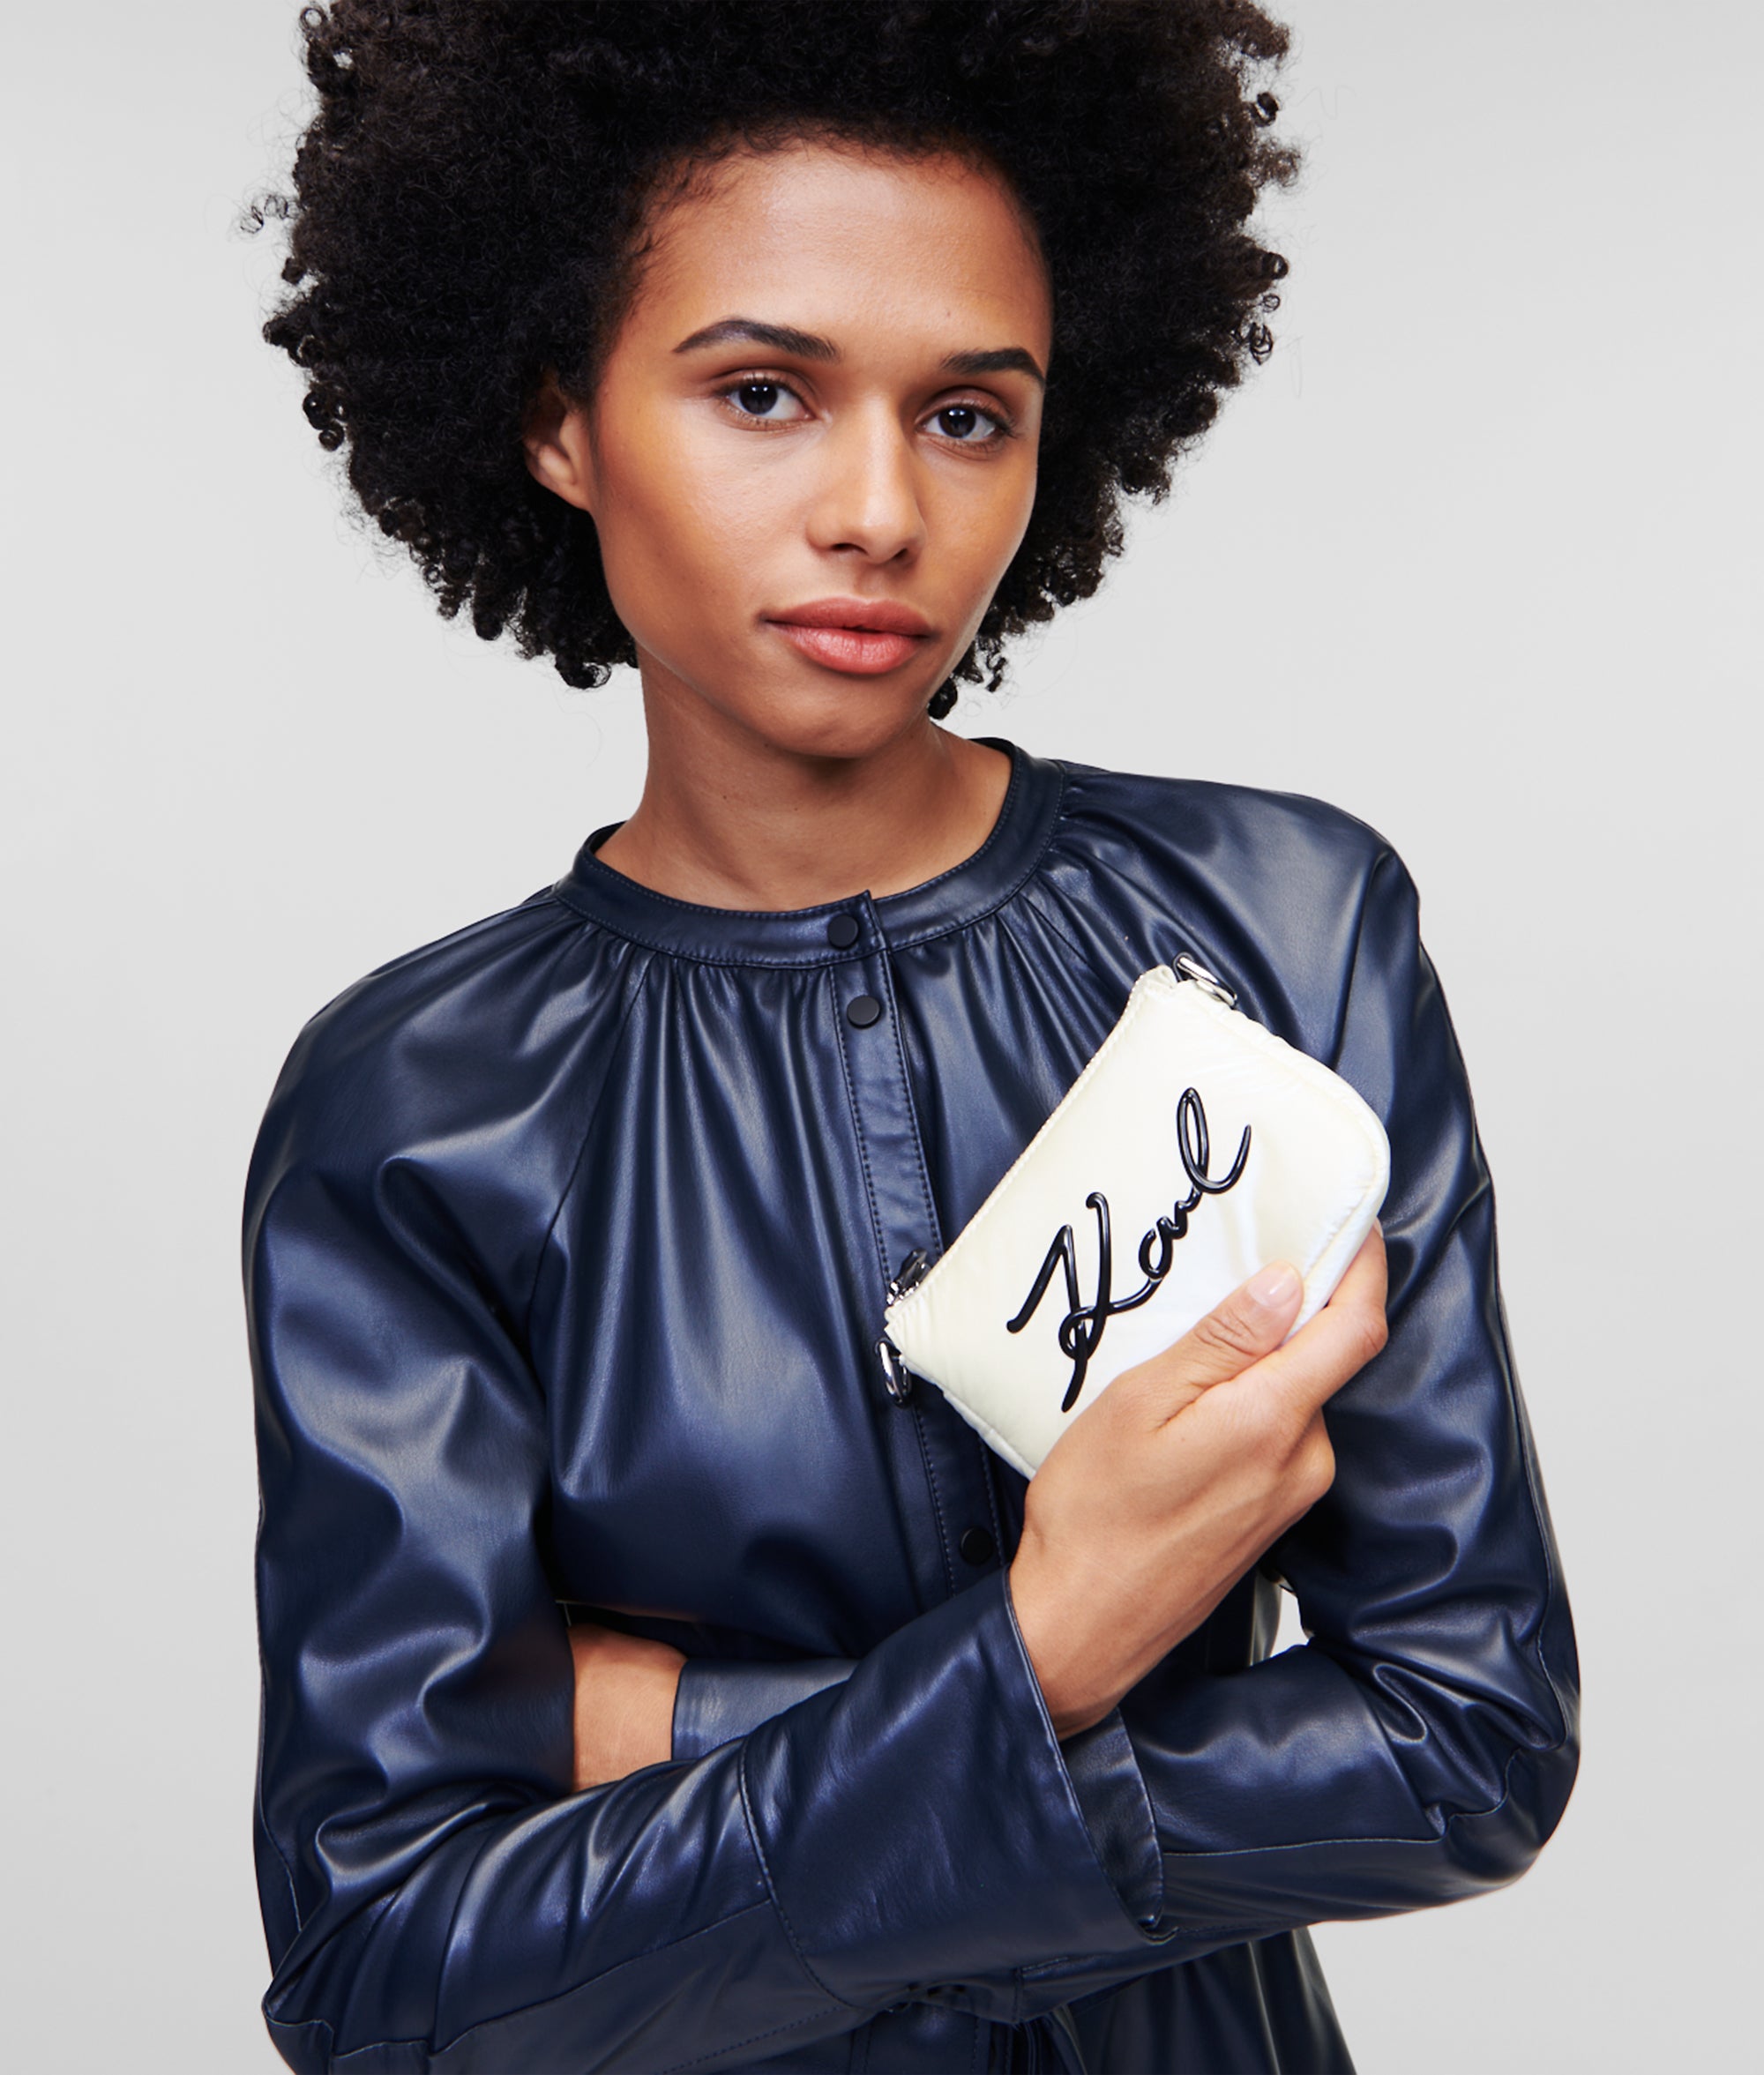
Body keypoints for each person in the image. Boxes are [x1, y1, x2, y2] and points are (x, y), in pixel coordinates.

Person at [243, 4, 1580, 2070]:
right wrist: (1041, 1656)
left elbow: (1463, 1740)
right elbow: (388, 1977)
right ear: (559, 419)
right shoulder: (414, 1109)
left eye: (965, 415)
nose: (878, 510)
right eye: (762, 392)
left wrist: (687, 1729)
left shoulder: (1287, 928)